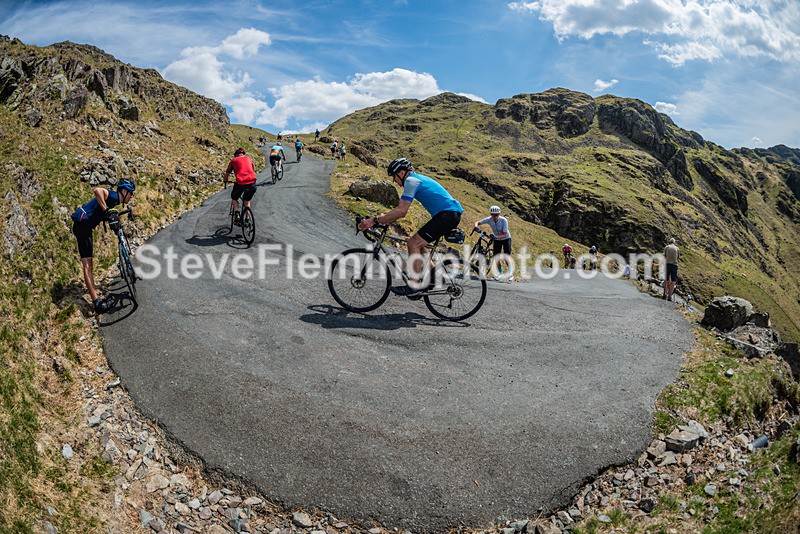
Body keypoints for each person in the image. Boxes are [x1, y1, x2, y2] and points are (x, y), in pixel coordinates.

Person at [359, 158, 463, 296]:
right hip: (448, 214)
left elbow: (402, 211)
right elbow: (399, 210)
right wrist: (383, 219)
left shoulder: (411, 181)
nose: (393, 181)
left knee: (414, 243)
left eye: (394, 176)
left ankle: (414, 285)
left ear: (401, 173)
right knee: (415, 242)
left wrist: (375, 220)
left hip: (448, 215)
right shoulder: (415, 179)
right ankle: (434, 277)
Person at [71, 178, 136, 313]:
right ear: (123, 191)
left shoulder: (114, 201)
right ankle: (97, 303)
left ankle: (97, 300)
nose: (131, 196)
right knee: (88, 264)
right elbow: (97, 190)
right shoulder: (112, 196)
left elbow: (100, 212)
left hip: (85, 227)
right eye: (130, 193)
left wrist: (110, 214)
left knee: (89, 263)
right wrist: (107, 210)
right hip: (82, 227)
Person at [474, 205, 512, 281]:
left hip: (506, 238)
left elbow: (504, 233)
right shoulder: (489, 219)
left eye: (497, 215)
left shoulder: (504, 220)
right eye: (493, 215)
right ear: (491, 215)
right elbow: (478, 222)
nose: (495, 216)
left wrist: (496, 237)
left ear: (499, 214)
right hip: (497, 239)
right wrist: (476, 226)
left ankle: (510, 273)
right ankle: (500, 274)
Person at [223, 148, 257, 224]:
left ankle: (236, 213)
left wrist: (225, 181)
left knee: (234, 198)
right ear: (243, 154)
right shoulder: (249, 159)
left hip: (240, 183)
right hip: (252, 182)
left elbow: (227, 173)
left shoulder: (234, 160)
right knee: (247, 200)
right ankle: (247, 219)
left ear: (236, 155)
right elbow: (252, 169)